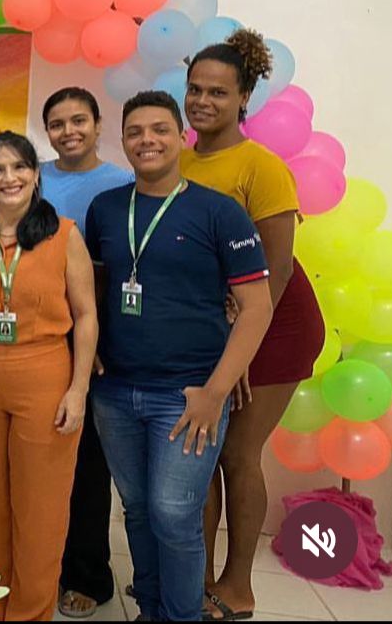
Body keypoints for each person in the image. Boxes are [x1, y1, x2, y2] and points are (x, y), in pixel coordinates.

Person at [85, 90, 274, 622]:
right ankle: (151, 609)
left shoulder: (220, 212)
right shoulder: (105, 209)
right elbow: (93, 290)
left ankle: (181, 614)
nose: (147, 140)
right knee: (138, 510)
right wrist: (91, 350)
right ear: (123, 141)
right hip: (115, 392)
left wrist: (215, 392)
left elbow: (256, 308)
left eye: (159, 129)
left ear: (181, 137)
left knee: (174, 514)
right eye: (135, 131)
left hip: (188, 394)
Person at [180, 31, 326, 621]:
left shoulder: (262, 167)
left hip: (274, 320)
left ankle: (237, 586)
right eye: (195, 89)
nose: (202, 101)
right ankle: (194, 581)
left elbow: (278, 268)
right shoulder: (179, 159)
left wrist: (241, 351)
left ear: (243, 99)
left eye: (218, 92)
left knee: (237, 454)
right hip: (214, 324)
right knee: (200, 454)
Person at [0, 131, 99, 622]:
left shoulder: (63, 233)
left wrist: (78, 390)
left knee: (40, 507)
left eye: (19, 167)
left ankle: (31, 613)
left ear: (36, 174)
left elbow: (87, 316)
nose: (9, 177)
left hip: (44, 372)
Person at [39, 87, 133, 619]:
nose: (69, 131)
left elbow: (122, 271)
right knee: (40, 459)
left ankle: (87, 575)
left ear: (98, 125)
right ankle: (39, 566)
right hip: (35, 337)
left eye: (79, 121)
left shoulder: (122, 184)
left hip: (91, 340)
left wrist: (96, 343)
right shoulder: (32, 179)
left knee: (87, 465)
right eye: (57, 123)